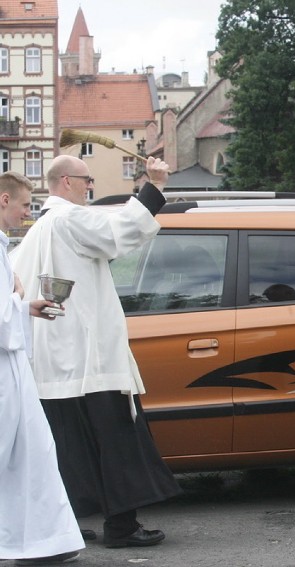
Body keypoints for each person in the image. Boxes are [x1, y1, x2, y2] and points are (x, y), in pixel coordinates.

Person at [10, 155, 182, 549]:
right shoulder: (67, 219)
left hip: (52, 364)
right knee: (117, 443)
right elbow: (117, 231)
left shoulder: (39, 228)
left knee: (67, 450)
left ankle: (65, 524)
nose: (90, 187)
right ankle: (122, 528)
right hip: (91, 359)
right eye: (87, 180)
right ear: (67, 181)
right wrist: (154, 186)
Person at [0, 172, 84, 565]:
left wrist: (24, 306)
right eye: (22, 205)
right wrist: (18, 297)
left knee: (34, 451)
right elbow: (1, 323)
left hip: (12, 370)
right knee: (13, 454)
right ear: (4, 200)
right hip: (4, 372)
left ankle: (45, 541)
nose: (26, 212)